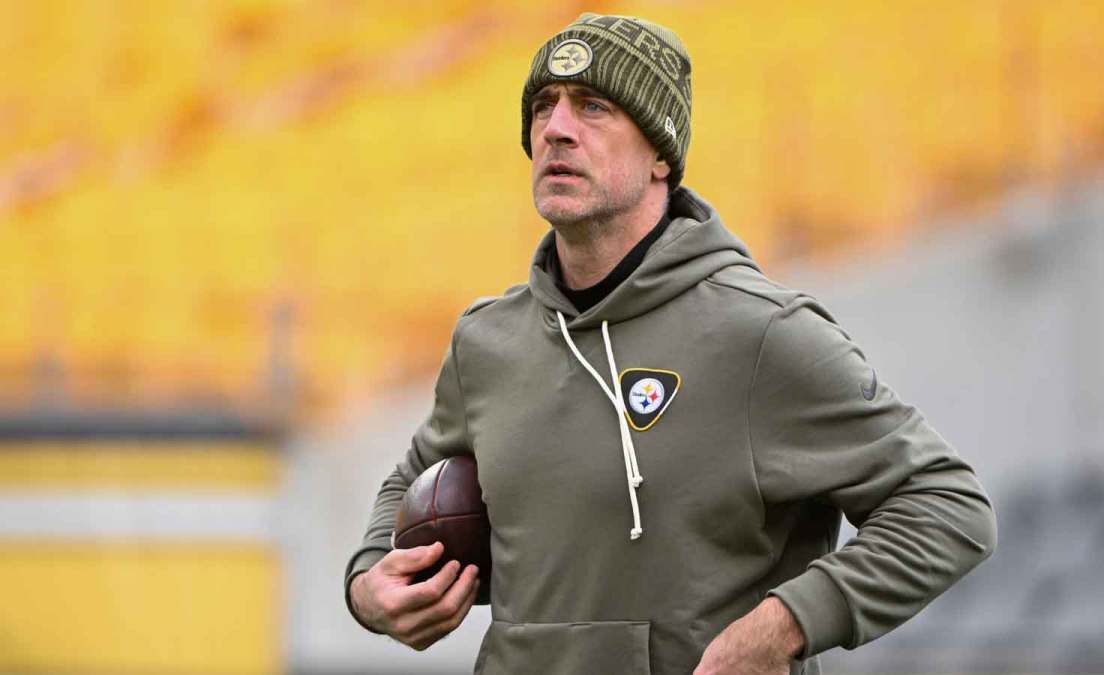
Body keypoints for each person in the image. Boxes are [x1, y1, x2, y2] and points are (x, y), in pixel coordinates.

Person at [345, 13, 997, 675]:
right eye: (543, 106)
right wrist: (368, 581)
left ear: (660, 152)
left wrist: (786, 624)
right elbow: (411, 476)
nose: (555, 128)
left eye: (593, 107)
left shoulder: (760, 333)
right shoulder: (487, 341)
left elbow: (947, 504)